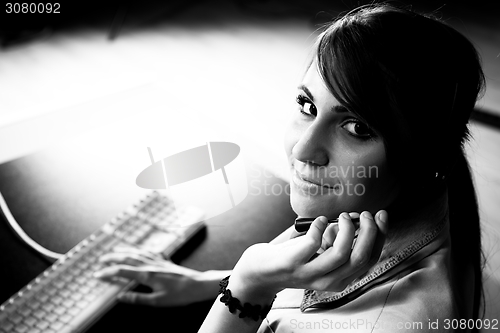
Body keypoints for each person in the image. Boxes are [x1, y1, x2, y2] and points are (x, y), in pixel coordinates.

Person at [94, 3, 485, 332]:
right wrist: (209, 283)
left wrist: (247, 286)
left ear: (424, 157)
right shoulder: (407, 197)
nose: (303, 148)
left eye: (357, 128)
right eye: (308, 107)